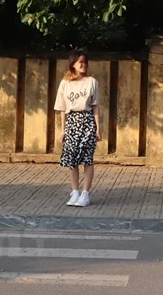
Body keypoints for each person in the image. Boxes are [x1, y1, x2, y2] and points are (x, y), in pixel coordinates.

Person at [54, 49, 101, 207]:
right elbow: (62, 108)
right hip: (72, 121)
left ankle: (85, 193)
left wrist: (97, 127)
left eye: (85, 61)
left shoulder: (92, 82)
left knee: (87, 158)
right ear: (73, 64)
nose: (83, 64)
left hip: (87, 121)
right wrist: (63, 130)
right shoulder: (65, 83)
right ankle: (75, 191)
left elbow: (95, 106)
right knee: (72, 158)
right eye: (80, 62)